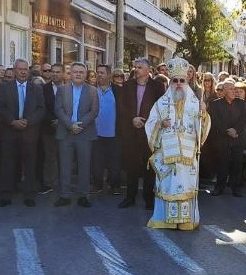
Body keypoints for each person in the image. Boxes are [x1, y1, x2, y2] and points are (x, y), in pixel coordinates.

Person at [145, 57, 210, 230]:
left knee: (186, 186)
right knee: (168, 186)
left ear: (187, 81)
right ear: (170, 82)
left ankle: (187, 221)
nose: (179, 84)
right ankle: (165, 220)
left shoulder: (196, 103)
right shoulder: (161, 103)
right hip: (168, 155)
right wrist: (160, 124)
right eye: (175, 81)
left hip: (188, 156)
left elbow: (203, 128)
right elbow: (149, 124)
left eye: (182, 80)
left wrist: (203, 115)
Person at [0, 58, 45, 207]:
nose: (23, 72)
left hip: (29, 132)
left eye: (26, 69)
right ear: (14, 70)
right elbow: (1, 107)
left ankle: (29, 195)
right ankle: (5, 195)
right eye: (20, 69)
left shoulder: (36, 88)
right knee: (7, 163)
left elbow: (41, 108)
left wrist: (28, 122)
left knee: (30, 165)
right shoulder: (5, 88)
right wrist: (12, 121)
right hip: (10, 131)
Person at [117, 58, 166, 209]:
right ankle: (130, 198)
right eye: (135, 67)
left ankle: (148, 199)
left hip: (150, 132)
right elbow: (121, 106)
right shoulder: (127, 86)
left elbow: (161, 108)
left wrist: (147, 121)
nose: (136, 70)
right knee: (132, 166)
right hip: (131, 131)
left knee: (149, 166)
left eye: (139, 67)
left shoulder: (157, 87)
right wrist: (133, 118)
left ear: (148, 70)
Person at [54, 62, 99, 208]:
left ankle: (83, 195)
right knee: (65, 165)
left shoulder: (92, 90)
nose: (78, 74)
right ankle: (64, 195)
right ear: (70, 74)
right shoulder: (62, 89)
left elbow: (94, 111)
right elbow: (58, 109)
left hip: (84, 133)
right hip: (65, 132)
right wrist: (70, 124)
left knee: (84, 165)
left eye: (81, 72)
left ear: (86, 75)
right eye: (75, 72)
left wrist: (80, 125)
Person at [209, 80, 246, 197]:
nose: (234, 91)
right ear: (224, 91)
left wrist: (236, 131)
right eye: (231, 89)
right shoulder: (215, 104)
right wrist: (227, 131)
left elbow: (243, 119)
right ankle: (219, 187)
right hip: (222, 138)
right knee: (222, 164)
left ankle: (236, 188)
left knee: (237, 164)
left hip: (237, 138)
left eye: (235, 89)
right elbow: (215, 121)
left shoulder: (241, 103)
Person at [91, 64, 122, 195]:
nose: (99, 74)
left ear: (109, 75)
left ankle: (114, 185)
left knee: (114, 162)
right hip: (96, 133)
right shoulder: (91, 90)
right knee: (96, 162)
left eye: (102, 72)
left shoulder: (118, 91)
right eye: (97, 72)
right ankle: (97, 185)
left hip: (114, 133)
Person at [40, 63, 64, 194]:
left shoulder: (69, 88)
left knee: (65, 156)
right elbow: (41, 107)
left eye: (58, 72)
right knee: (50, 157)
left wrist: (61, 121)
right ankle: (48, 183)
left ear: (63, 73)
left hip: (65, 128)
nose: (54, 74)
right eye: (53, 72)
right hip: (48, 128)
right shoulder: (43, 89)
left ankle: (63, 182)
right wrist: (52, 120)